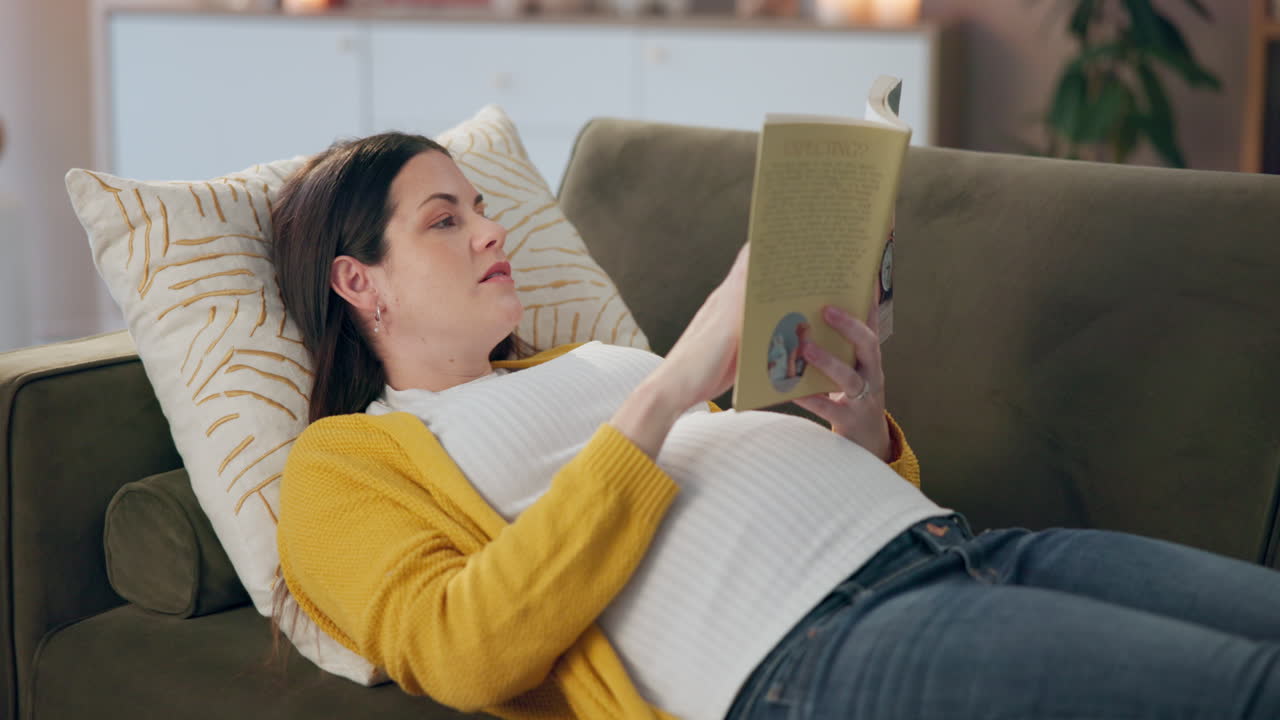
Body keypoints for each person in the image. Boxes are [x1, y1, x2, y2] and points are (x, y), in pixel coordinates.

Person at [270, 131, 1280, 720]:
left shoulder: (578, 363)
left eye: (481, 206)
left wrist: (859, 426)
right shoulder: (345, 460)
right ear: (359, 282)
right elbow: (460, 649)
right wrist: (671, 387)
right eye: (444, 219)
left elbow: (748, 483)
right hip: (818, 643)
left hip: (961, 550)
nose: (492, 231)